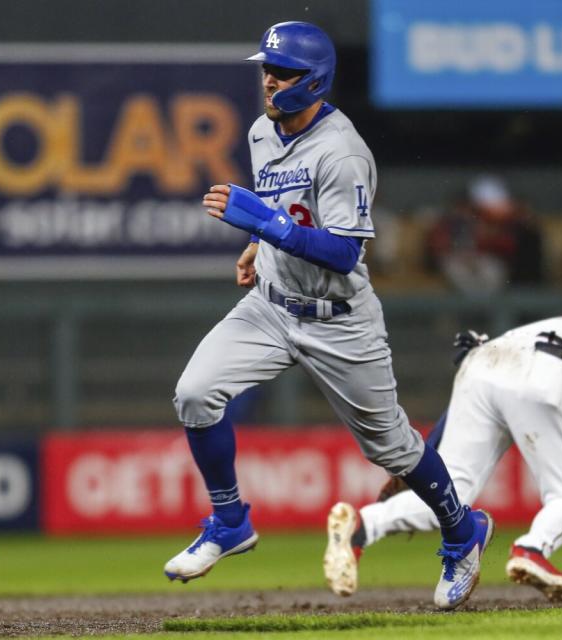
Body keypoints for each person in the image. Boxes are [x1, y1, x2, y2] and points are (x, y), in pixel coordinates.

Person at [164, 21, 491, 610]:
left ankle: (464, 533)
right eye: (266, 67)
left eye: (281, 71)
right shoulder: (265, 130)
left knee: (392, 449)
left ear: (312, 80)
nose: (268, 79)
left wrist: (263, 226)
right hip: (270, 304)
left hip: (338, 317)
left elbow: (343, 251)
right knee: (195, 393)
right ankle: (230, 520)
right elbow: (285, 211)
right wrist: (258, 244)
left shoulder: (342, 151)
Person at [323, 316, 562, 601]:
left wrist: (422, 459)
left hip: (484, 358)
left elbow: (495, 373)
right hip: (547, 373)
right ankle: (531, 550)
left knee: (450, 497)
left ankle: (365, 525)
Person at [425, 175, 544, 294]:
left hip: (487, 262)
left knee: (491, 270)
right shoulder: (449, 222)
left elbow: (506, 246)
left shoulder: (508, 222)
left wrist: (482, 247)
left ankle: (482, 307)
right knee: (456, 268)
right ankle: (476, 306)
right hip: (457, 261)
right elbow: (438, 248)